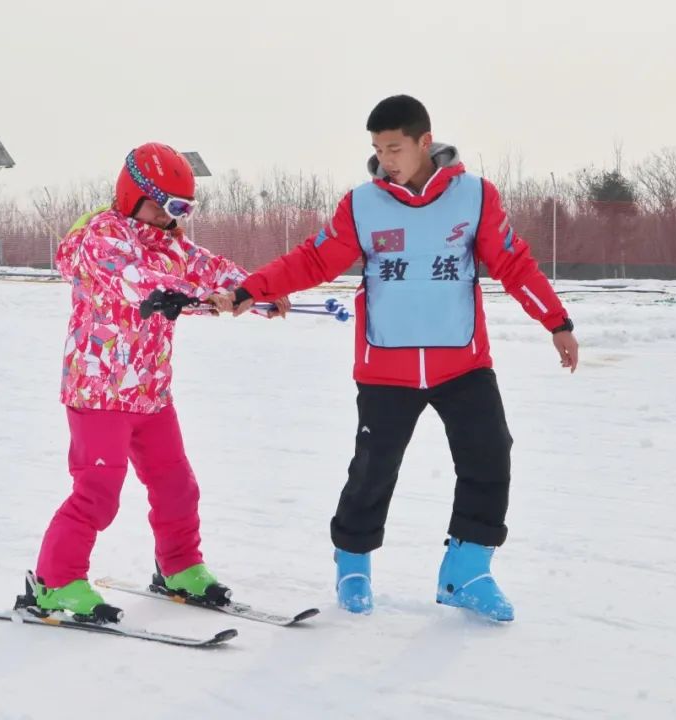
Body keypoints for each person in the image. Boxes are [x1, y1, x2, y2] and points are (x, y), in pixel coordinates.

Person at [211, 95, 579, 622]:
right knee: (373, 469)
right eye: (378, 149)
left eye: (395, 147)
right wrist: (252, 288)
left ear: (424, 142)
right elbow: (315, 258)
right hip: (386, 366)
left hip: (463, 362)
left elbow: (514, 265)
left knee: (490, 454)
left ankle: (468, 570)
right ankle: (353, 561)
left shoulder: (474, 196)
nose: (386, 158)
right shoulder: (362, 204)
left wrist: (556, 322)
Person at [29, 142, 287, 620]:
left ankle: (180, 566)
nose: (169, 218)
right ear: (132, 194)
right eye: (163, 205)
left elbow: (209, 268)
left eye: (181, 208)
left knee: (177, 486)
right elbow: (137, 282)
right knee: (98, 493)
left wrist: (255, 290)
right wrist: (199, 296)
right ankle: (55, 582)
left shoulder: (169, 243)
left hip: (150, 392)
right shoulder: (102, 239)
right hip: (100, 391)